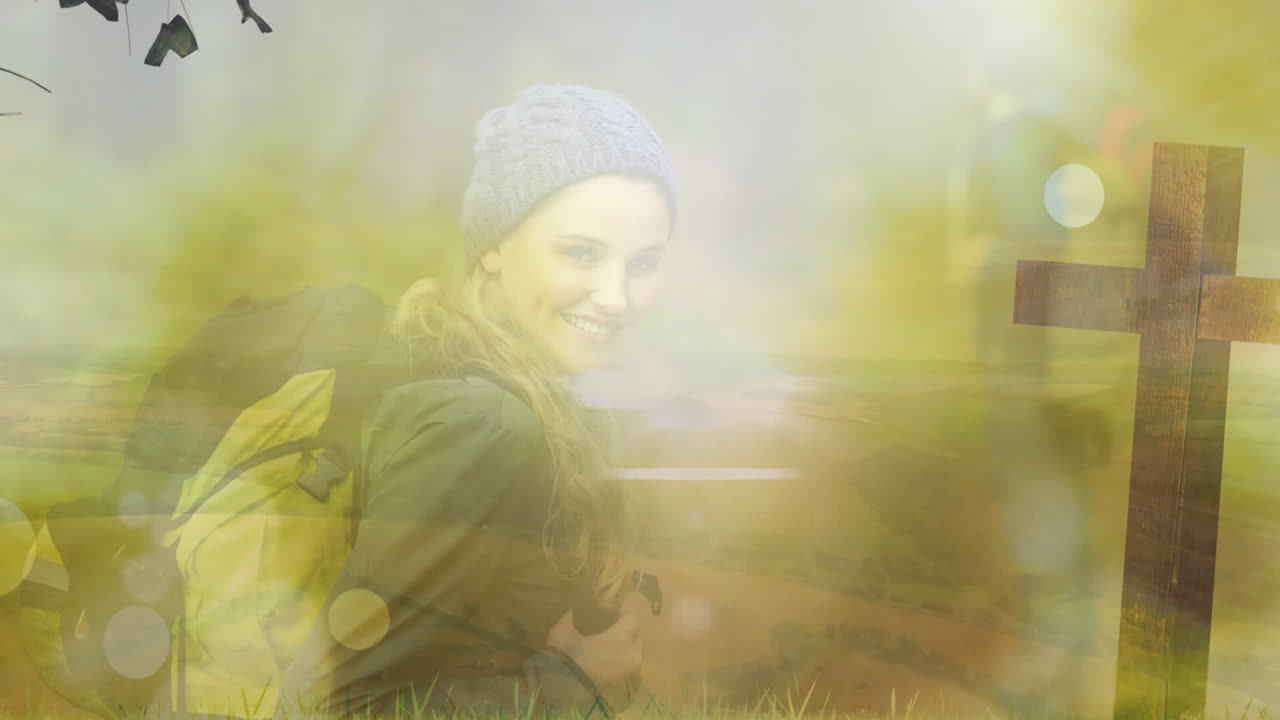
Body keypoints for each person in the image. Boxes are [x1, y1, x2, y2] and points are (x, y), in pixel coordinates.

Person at [275, 83, 678, 720]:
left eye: (644, 263)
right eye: (580, 253)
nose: (616, 296)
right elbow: (336, 706)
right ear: (495, 244)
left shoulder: (516, 385)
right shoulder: (480, 425)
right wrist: (575, 681)